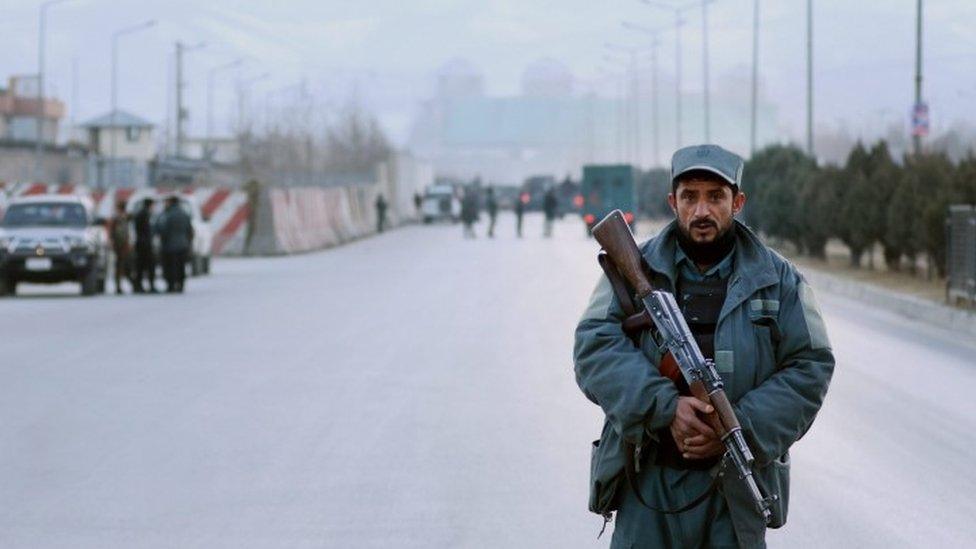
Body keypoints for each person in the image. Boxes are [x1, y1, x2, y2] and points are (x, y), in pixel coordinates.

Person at [574, 144, 834, 548]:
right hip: (648, 480)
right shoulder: (632, 270)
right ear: (672, 201)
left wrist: (736, 426)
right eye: (690, 197)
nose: (701, 212)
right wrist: (665, 408)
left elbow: (810, 367)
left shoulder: (779, 280)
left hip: (732, 496)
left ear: (738, 201)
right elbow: (594, 347)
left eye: (715, 197)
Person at [156, 195, 194, 293]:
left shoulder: (167, 214)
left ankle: (171, 285)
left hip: (169, 246)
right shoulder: (185, 214)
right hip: (183, 245)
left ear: (171, 202)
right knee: (181, 266)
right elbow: (190, 230)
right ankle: (180, 285)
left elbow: (162, 229)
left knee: (170, 266)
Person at [131, 197, 157, 293]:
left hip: (141, 244)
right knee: (148, 266)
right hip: (145, 245)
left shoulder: (141, 214)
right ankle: (149, 286)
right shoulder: (145, 215)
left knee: (140, 267)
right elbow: (147, 231)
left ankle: (139, 286)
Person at [108, 201, 132, 295]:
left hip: (122, 244)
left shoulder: (123, 218)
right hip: (120, 245)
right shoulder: (118, 219)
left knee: (123, 266)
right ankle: (118, 286)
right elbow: (112, 232)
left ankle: (121, 285)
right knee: (120, 266)